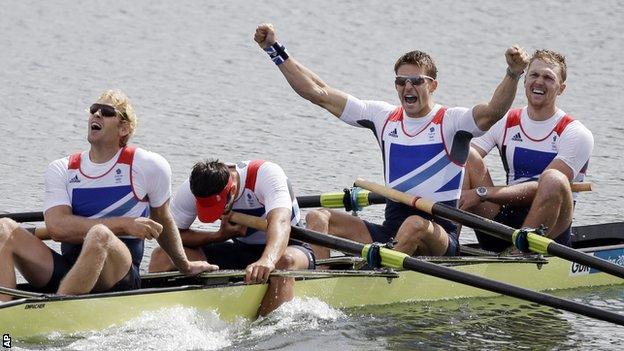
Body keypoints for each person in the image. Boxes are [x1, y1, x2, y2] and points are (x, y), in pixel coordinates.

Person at [254, 23, 529, 259]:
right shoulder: (383, 118)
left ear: (432, 85)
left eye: (416, 81)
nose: (407, 87)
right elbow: (320, 93)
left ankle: (380, 275)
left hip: (440, 236)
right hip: (392, 230)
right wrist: (274, 50)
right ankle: (321, 283)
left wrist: (514, 74)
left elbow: (493, 111)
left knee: (414, 224)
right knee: (318, 218)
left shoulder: (451, 121)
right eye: (401, 81)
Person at [0, 90, 216, 302]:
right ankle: (5, 314)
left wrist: (185, 266)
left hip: (119, 276)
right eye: (93, 110)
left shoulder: (148, 166)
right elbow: (57, 227)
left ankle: (56, 308)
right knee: (5, 228)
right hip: (69, 268)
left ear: (124, 128)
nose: (96, 114)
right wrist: (124, 224)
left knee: (100, 235)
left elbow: (163, 220)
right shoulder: (62, 169)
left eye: (106, 111)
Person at [460, 50, 594, 252]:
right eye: (534, 75)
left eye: (548, 77)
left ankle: (517, 254)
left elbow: (541, 188)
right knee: (465, 155)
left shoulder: (576, 133)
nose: (539, 82)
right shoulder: (505, 121)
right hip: (504, 220)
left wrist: (481, 193)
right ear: (524, 81)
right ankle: (446, 242)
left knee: (553, 179)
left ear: (561, 88)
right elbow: (458, 161)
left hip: (549, 231)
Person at [148, 159, 315, 316]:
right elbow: (173, 235)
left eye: (219, 207)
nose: (217, 213)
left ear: (233, 190)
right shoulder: (195, 187)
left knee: (283, 261)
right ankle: (152, 314)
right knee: (162, 256)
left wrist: (268, 260)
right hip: (242, 249)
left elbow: (281, 222)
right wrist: (219, 236)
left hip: (290, 247)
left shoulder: (265, 175)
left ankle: (266, 331)